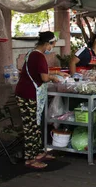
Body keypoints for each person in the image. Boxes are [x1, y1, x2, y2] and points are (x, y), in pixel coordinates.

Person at [15, 31, 62, 170]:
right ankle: (30, 159)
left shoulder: (31, 53)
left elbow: (39, 73)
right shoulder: (39, 56)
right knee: (31, 127)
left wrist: (56, 72)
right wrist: (53, 77)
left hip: (24, 93)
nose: (52, 48)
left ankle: (39, 152)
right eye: (52, 45)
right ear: (47, 44)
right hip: (28, 95)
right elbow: (44, 78)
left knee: (35, 125)